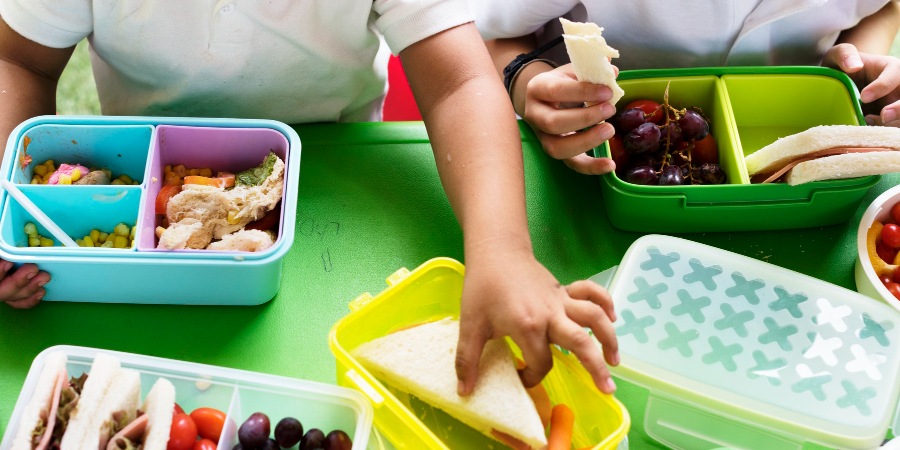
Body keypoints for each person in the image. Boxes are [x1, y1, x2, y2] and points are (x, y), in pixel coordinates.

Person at [0, 1, 620, 395]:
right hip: (153, 200)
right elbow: (17, 60)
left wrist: (502, 248)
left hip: (342, 169)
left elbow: (460, 83)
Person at [473, 0, 900, 174]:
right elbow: (489, 30)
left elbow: (882, 7)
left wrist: (858, 65)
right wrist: (524, 77)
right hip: (582, 158)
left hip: (787, 149)